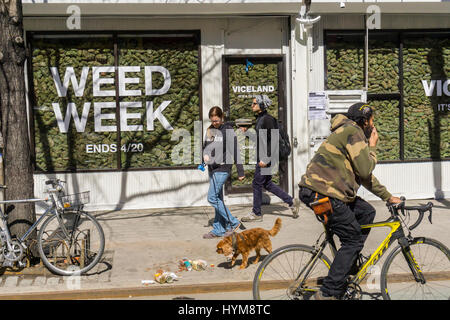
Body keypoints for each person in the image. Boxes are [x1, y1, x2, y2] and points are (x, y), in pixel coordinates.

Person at [298, 102, 402, 300]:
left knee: (366, 212)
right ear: (365, 121)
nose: (374, 124)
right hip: (322, 193)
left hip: (324, 191)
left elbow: (364, 177)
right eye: (372, 120)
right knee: (353, 239)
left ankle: (348, 262)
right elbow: (365, 169)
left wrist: (387, 197)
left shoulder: (349, 131)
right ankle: (328, 292)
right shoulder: (353, 132)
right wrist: (373, 147)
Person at [241, 94, 300, 223]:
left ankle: (256, 213)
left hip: (266, 158)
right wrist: (246, 133)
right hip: (264, 157)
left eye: (254, 103)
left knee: (257, 184)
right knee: (266, 183)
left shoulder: (267, 119)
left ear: (262, 105)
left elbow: (273, 140)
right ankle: (291, 202)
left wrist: (266, 159)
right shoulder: (261, 119)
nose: (252, 105)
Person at [202, 106, 245, 239]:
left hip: (223, 168)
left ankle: (234, 222)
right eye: (212, 120)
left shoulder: (228, 130)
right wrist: (204, 157)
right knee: (218, 199)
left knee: (212, 198)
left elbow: (235, 150)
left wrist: (240, 171)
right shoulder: (210, 130)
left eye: (216, 120)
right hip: (212, 168)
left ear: (221, 118)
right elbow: (205, 147)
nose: (214, 123)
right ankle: (219, 229)